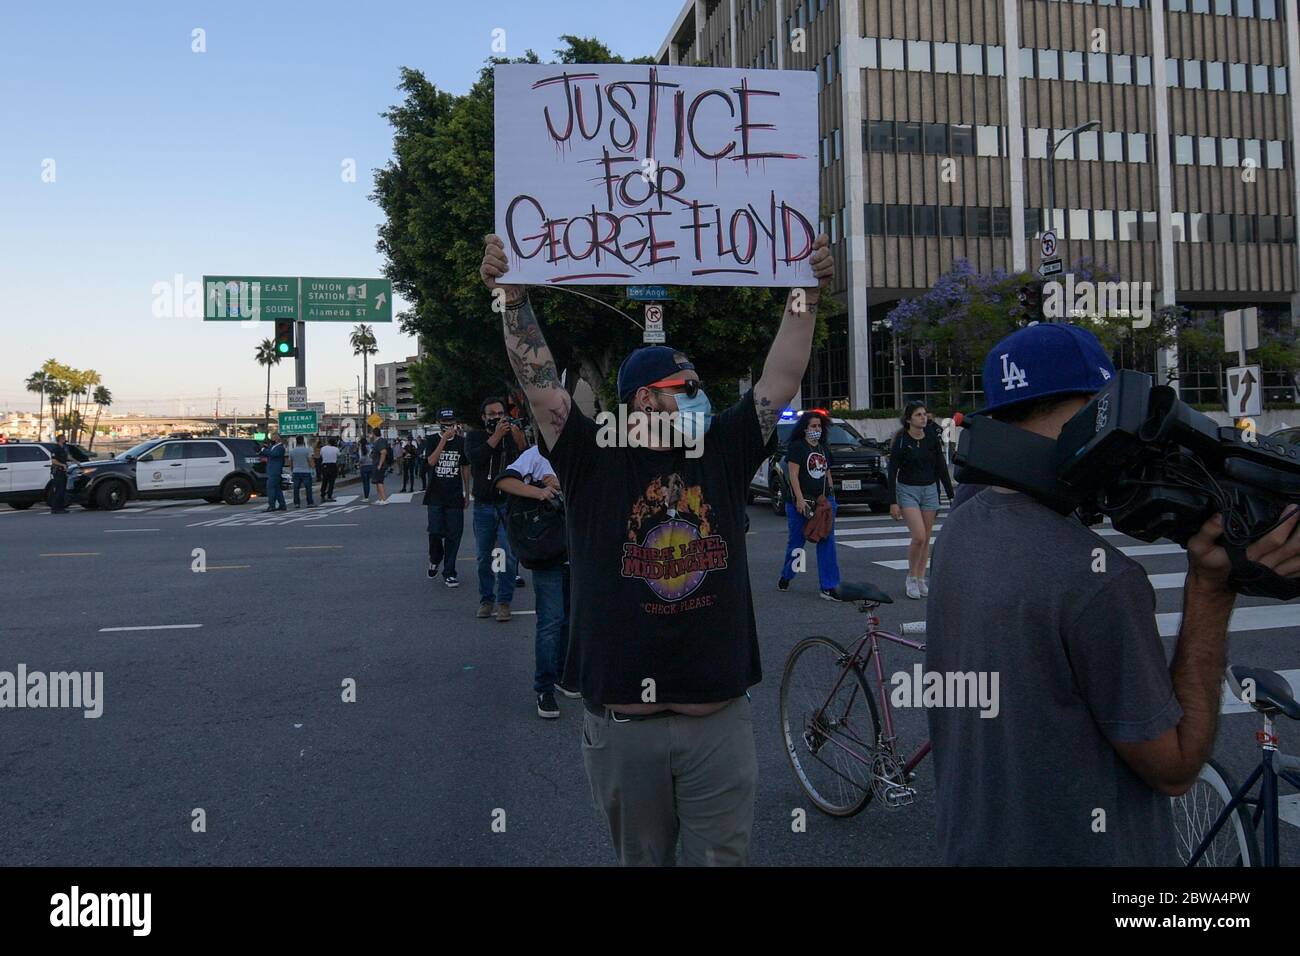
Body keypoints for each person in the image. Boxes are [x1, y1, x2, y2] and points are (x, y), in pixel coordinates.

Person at [479, 229, 833, 866]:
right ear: (645, 398)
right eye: (684, 387)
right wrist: (512, 300)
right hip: (623, 732)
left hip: (717, 725)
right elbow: (538, 385)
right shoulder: (590, 457)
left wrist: (803, 294)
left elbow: (782, 376)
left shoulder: (721, 450)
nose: (698, 396)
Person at [925, 322, 1300, 866]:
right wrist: (1211, 588)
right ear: (1095, 412)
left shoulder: (961, 528)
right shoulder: (1098, 581)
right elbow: (1174, 769)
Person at [495, 440, 575, 719]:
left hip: (579, 551)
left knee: (571, 618)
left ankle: (564, 675)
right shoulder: (536, 455)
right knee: (551, 621)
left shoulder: (585, 452)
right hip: (548, 551)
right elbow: (504, 481)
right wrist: (540, 491)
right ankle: (544, 688)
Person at [887, 401, 953, 599]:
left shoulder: (931, 438)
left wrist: (950, 494)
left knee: (926, 539)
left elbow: (941, 466)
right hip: (908, 490)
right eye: (918, 415)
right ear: (908, 419)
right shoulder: (901, 440)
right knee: (919, 536)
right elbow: (892, 471)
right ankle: (911, 578)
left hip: (930, 489)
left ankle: (921, 578)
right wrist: (893, 501)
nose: (923, 417)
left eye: (924, 414)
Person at [466, 397, 523, 622]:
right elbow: (475, 458)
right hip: (483, 506)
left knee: (507, 556)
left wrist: (518, 439)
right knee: (483, 556)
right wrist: (496, 436)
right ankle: (486, 599)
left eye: (501, 414)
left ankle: (504, 602)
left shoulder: (511, 436)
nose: (497, 418)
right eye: (492, 414)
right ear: (483, 417)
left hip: (507, 505)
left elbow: (527, 457)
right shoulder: (474, 436)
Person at [777, 410, 841, 599]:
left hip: (823, 502)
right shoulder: (797, 447)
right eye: (813, 426)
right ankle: (788, 575)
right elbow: (793, 475)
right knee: (798, 543)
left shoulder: (823, 448)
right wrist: (799, 499)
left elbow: (827, 472)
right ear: (804, 428)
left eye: (819, 426)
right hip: (801, 501)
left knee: (826, 540)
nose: (817, 429)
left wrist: (832, 497)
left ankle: (829, 585)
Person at [423, 409, 470, 588]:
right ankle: (435, 557)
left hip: (454, 495)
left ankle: (449, 572)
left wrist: (467, 492)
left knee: (454, 535)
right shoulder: (432, 440)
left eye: (451, 421)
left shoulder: (461, 442)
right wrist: (444, 439)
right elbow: (431, 461)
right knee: (435, 531)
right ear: (439, 422)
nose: (448, 424)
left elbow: (465, 467)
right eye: (444, 421)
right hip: (435, 494)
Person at [262, 433, 287, 512]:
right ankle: (282, 505)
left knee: (270, 488)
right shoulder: (273, 447)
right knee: (277, 489)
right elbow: (269, 452)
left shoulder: (280, 448)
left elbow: (273, 454)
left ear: (276, 439)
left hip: (275, 470)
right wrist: (263, 448)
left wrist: (263, 450)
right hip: (272, 470)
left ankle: (272, 505)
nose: (271, 440)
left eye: (272, 438)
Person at [289, 435, 315, 508]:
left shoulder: (292, 451)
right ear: (303, 441)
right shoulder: (307, 450)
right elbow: (310, 461)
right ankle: (310, 503)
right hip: (306, 471)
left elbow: (290, 462)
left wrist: (292, 470)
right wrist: (313, 468)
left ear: (296, 442)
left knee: (296, 488)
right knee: (308, 488)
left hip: (296, 471)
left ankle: (297, 503)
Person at [48, 433, 70, 514]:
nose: (65, 440)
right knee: (58, 490)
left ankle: (61, 508)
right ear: (60, 440)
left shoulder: (63, 448)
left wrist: (77, 462)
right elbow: (54, 461)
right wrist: (62, 465)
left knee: (62, 490)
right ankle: (55, 508)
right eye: (64, 439)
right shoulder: (55, 449)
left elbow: (68, 457)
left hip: (63, 471)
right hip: (57, 471)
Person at [370, 428, 391, 503]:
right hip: (376, 463)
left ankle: (384, 499)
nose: (371, 435)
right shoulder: (377, 441)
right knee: (376, 481)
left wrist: (380, 464)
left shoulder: (380, 441)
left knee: (379, 481)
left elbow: (383, 452)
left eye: (372, 433)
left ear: (374, 434)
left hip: (379, 464)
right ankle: (380, 498)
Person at [319, 437, 340, 502]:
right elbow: (339, 455)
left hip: (325, 465)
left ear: (328, 442)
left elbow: (321, 455)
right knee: (331, 482)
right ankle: (329, 496)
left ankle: (322, 495)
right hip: (333, 465)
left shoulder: (323, 448)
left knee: (324, 481)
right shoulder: (336, 449)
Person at [358, 436, 373, 500]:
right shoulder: (369, 447)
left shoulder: (361, 448)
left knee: (365, 482)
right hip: (370, 465)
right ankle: (367, 495)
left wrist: (359, 463)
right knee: (368, 482)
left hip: (363, 466)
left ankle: (366, 496)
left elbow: (361, 458)